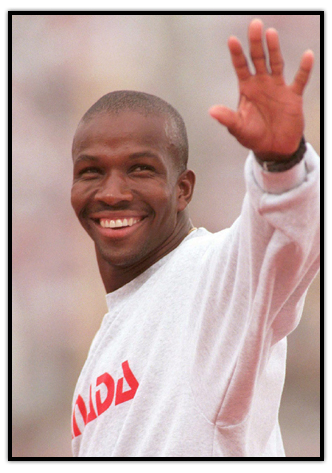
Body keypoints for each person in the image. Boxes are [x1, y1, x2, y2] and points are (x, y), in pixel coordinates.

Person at [70, 19, 320, 457]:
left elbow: (285, 242)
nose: (111, 193)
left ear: (183, 188)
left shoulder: (208, 283)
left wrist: (282, 162)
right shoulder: (105, 345)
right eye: (91, 171)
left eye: (140, 169)